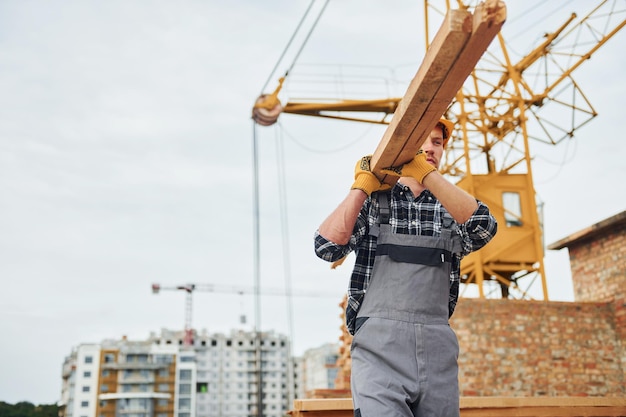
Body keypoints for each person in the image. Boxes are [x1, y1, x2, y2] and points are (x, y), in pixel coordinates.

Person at [313, 118, 498, 417]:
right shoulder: (374, 203)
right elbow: (326, 246)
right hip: (379, 354)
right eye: (422, 141)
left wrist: (428, 176)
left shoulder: (453, 208)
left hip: (438, 355)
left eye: (437, 143)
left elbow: (483, 229)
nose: (430, 148)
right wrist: (361, 187)